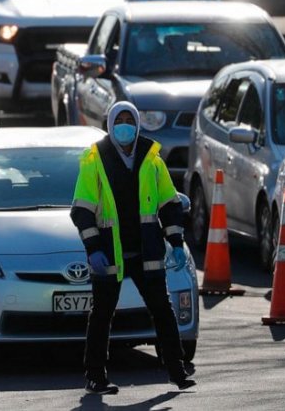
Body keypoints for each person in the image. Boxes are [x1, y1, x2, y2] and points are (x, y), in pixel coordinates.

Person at [70, 101, 195, 395]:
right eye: (119, 120)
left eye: (130, 120)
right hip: (109, 252)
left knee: (162, 310)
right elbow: (82, 210)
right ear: (110, 124)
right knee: (102, 314)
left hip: (146, 251)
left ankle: (177, 370)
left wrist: (176, 242)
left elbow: (169, 204)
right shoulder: (95, 159)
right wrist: (93, 248)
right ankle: (95, 377)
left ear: (138, 125)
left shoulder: (152, 159)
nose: (125, 125)